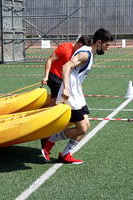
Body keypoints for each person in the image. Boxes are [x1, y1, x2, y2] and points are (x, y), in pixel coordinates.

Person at [41, 28, 113, 164]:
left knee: (86, 126)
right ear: (99, 42)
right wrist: (67, 88)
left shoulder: (89, 52)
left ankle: (66, 154)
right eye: (107, 45)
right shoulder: (86, 53)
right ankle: (49, 141)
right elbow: (66, 66)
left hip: (76, 93)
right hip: (71, 94)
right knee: (82, 128)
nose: (107, 48)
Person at [42, 36, 92, 106]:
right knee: (61, 97)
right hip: (54, 76)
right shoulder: (65, 48)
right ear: (80, 45)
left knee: (58, 98)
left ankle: (51, 110)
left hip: (63, 79)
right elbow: (49, 60)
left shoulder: (79, 55)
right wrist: (46, 76)